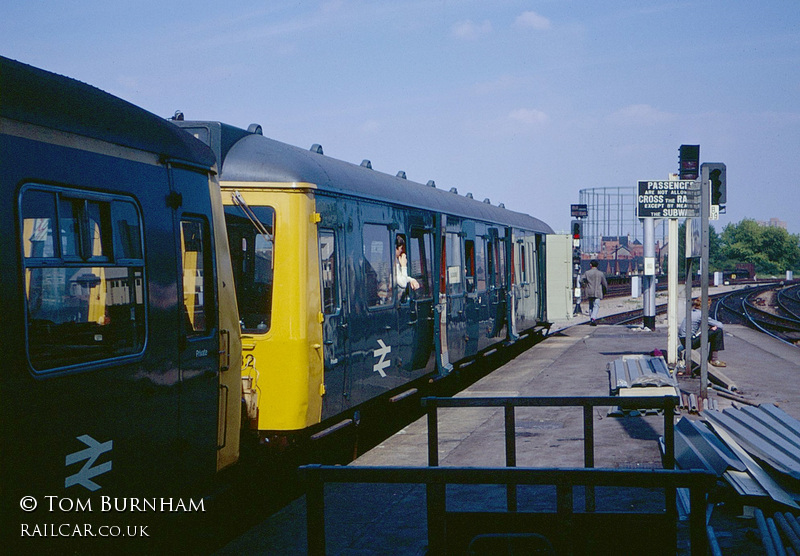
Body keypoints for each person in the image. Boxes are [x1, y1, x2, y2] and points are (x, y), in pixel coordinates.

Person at [679, 297, 726, 367]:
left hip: (684, 340)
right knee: (718, 331)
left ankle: (681, 348)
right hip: (690, 342)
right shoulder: (701, 315)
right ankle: (714, 359)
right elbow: (720, 325)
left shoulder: (692, 312)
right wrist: (712, 328)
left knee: (712, 331)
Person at [581, 259, 607, 326]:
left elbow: (581, 280)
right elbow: (604, 283)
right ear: (597, 265)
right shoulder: (601, 273)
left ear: (590, 265)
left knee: (591, 305)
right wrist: (605, 290)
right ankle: (593, 318)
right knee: (596, 305)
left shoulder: (587, 273)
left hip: (589, 291)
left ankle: (591, 319)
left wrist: (585, 285)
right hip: (598, 291)